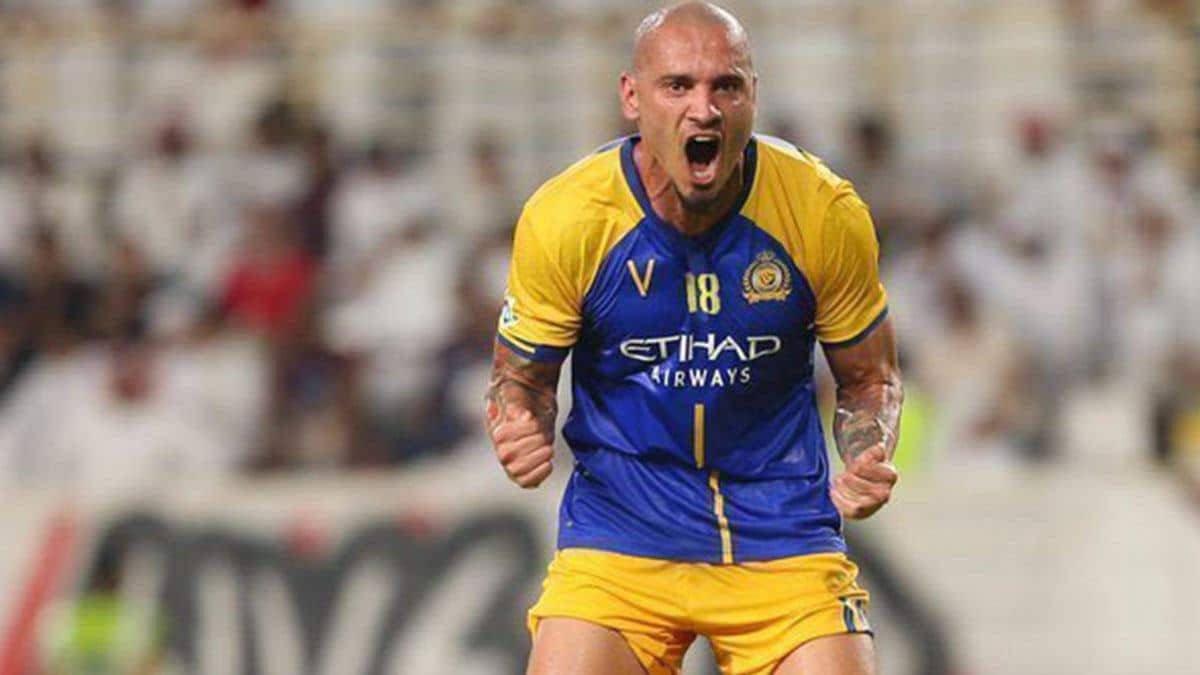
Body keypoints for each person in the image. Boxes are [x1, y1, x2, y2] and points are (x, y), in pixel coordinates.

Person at [484, 3, 902, 674]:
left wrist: (867, 449)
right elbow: (519, 380)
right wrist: (518, 423)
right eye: (678, 85)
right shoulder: (568, 217)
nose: (703, 109)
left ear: (753, 97)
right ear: (632, 97)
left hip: (782, 536)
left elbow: (869, 377)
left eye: (725, 86)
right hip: (621, 536)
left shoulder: (821, 210)